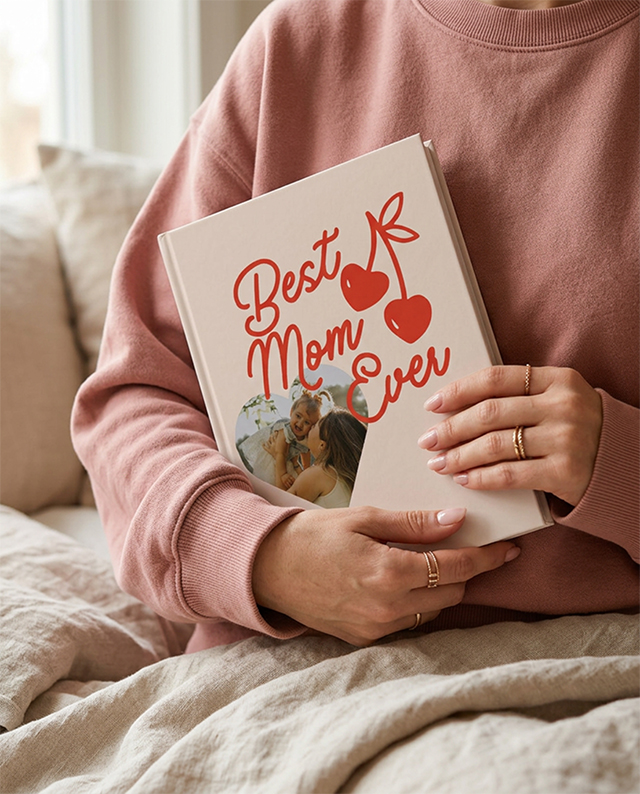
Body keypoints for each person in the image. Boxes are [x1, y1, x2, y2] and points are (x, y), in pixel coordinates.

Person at [71, 0, 638, 652]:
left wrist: (617, 463)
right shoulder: (299, 40)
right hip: (287, 672)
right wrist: (263, 555)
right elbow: (131, 401)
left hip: (590, 668)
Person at [266, 408, 367, 508]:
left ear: (322, 445)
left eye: (314, 426)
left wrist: (279, 456)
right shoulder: (340, 476)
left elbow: (280, 508)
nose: (309, 428)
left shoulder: (320, 473)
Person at [238, 392, 322, 488]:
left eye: (307, 422)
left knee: (291, 482)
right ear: (291, 412)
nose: (300, 423)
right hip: (273, 457)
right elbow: (280, 453)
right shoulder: (285, 430)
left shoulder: (306, 439)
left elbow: (306, 461)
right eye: (298, 416)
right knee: (269, 482)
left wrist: (305, 473)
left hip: (286, 461)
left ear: (312, 427)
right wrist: (283, 475)